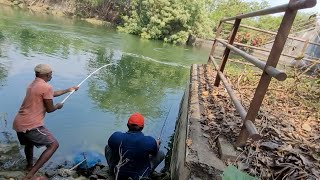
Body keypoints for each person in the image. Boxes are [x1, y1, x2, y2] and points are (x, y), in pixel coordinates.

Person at [12, 64, 79, 180]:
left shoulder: (33, 85)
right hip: (31, 125)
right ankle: (29, 176)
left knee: (29, 144)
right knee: (53, 144)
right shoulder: (46, 87)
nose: (51, 75)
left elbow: (50, 94)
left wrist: (68, 90)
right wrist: (58, 106)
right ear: (46, 74)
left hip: (19, 123)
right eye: (51, 73)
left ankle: (29, 166)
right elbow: (50, 109)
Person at [105, 112, 165, 180]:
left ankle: (112, 170)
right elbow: (155, 152)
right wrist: (156, 144)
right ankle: (146, 174)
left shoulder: (116, 136)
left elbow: (110, 144)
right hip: (139, 176)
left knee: (108, 147)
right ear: (142, 127)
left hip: (119, 173)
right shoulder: (149, 141)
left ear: (127, 125)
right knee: (161, 153)